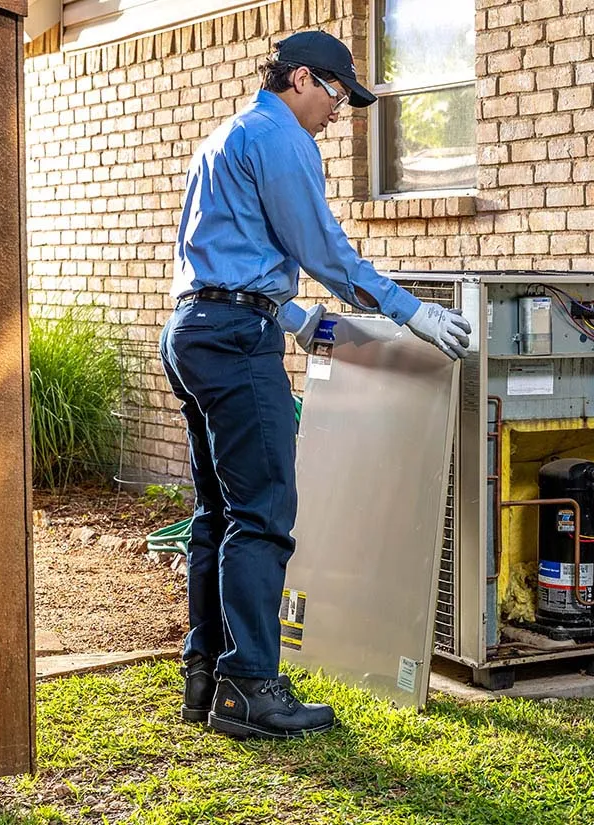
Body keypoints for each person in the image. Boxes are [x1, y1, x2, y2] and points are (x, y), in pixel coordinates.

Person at [159, 30, 471, 740]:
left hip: (192, 331)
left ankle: (205, 676)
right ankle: (250, 688)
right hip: (238, 343)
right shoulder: (282, 139)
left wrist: (294, 315)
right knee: (262, 514)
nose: (341, 113)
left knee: (216, 512)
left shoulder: (224, 137)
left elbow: (223, 251)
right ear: (301, 78)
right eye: (336, 96)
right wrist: (409, 308)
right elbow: (324, 249)